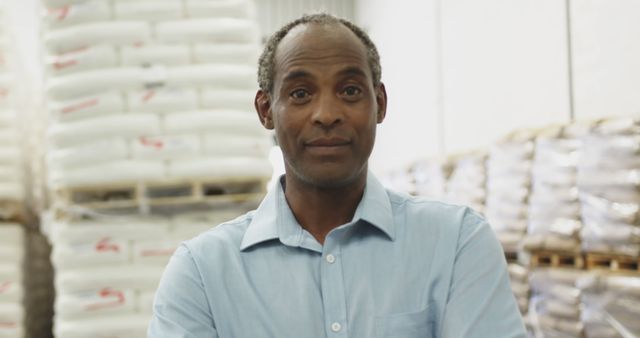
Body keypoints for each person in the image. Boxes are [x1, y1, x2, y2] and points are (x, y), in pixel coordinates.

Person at [148, 13, 527, 338]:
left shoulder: (457, 243)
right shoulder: (202, 272)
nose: (327, 113)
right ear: (266, 110)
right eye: (300, 93)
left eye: (349, 90)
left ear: (379, 103)